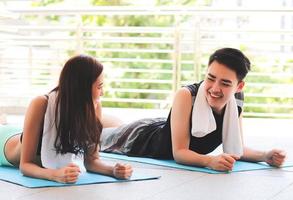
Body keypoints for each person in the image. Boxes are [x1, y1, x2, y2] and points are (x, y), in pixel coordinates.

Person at [100, 47, 286, 172]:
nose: (214, 88)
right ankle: (83, 109)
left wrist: (265, 155)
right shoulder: (186, 95)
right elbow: (180, 152)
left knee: (116, 125)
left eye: (225, 83)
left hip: (155, 127)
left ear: (239, 86)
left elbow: (237, 147)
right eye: (211, 78)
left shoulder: (236, 101)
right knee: (96, 134)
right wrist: (209, 161)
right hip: (141, 141)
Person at [0, 54, 132, 183]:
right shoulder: (41, 103)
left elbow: (92, 161)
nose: (102, 92)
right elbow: (25, 166)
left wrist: (114, 170)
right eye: (99, 86)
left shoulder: (95, 106)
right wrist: (54, 175)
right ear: (82, 88)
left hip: (16, 131)